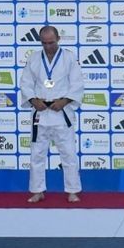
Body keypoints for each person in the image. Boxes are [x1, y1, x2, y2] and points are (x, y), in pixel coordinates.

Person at [20, 26, 85, 203]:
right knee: (37, 154)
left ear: (58, 39)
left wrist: (65, 101)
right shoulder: (34, 58)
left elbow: (77, 83)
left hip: (61, 112)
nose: (48, 46)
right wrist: (33, 100)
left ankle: (72, 191)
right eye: (44, 43)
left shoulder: (69, 57)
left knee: (68, 154)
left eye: (51, 42)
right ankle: (37, 190)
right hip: (40, 113)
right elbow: (26, 83)